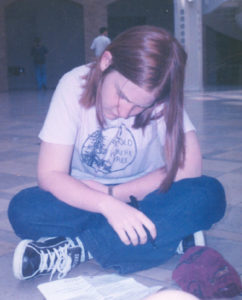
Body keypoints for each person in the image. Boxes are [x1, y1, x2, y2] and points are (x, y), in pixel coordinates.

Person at [8, 25, 226, 281]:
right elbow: (50, 174)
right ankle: (164, 235)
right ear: (106, 61)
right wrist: (105, 204)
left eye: (140, 106)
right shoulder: (73, 85)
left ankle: (79, 248)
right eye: (121, 95)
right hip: (88, 198)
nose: (124, 112)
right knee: (24, 209)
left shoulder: (160, 97)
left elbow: (190, 169)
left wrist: (115, 195)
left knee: (209, 193)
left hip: (144, 196)